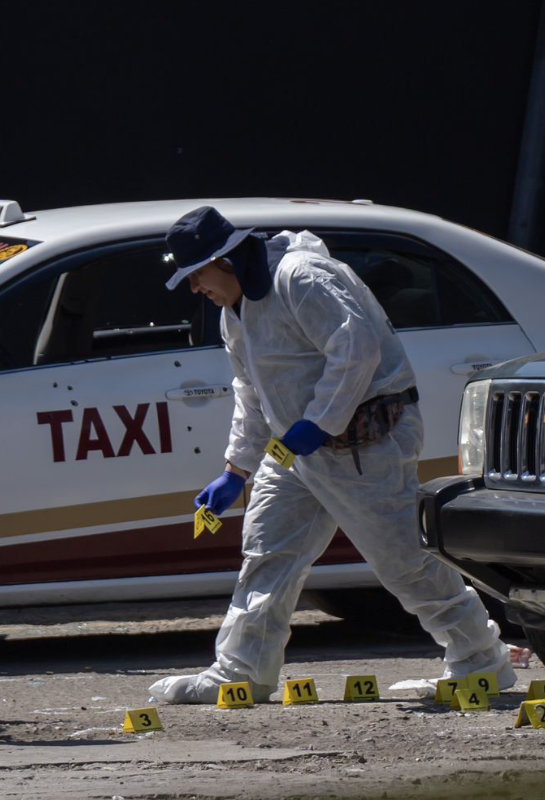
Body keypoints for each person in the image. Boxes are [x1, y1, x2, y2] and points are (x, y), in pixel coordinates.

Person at [149, 206, 516, 704]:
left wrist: (318, 422)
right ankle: (241, 673)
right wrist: (236, 469)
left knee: (404, 561)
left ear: (228, 262)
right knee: (267, 553)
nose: (195, 288)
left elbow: (356, 350)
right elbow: (251, 391)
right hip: (295, 450)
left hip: (362, 445)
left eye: (196, 276)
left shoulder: (302, 278)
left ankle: (482, 665)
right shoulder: (234, 313)